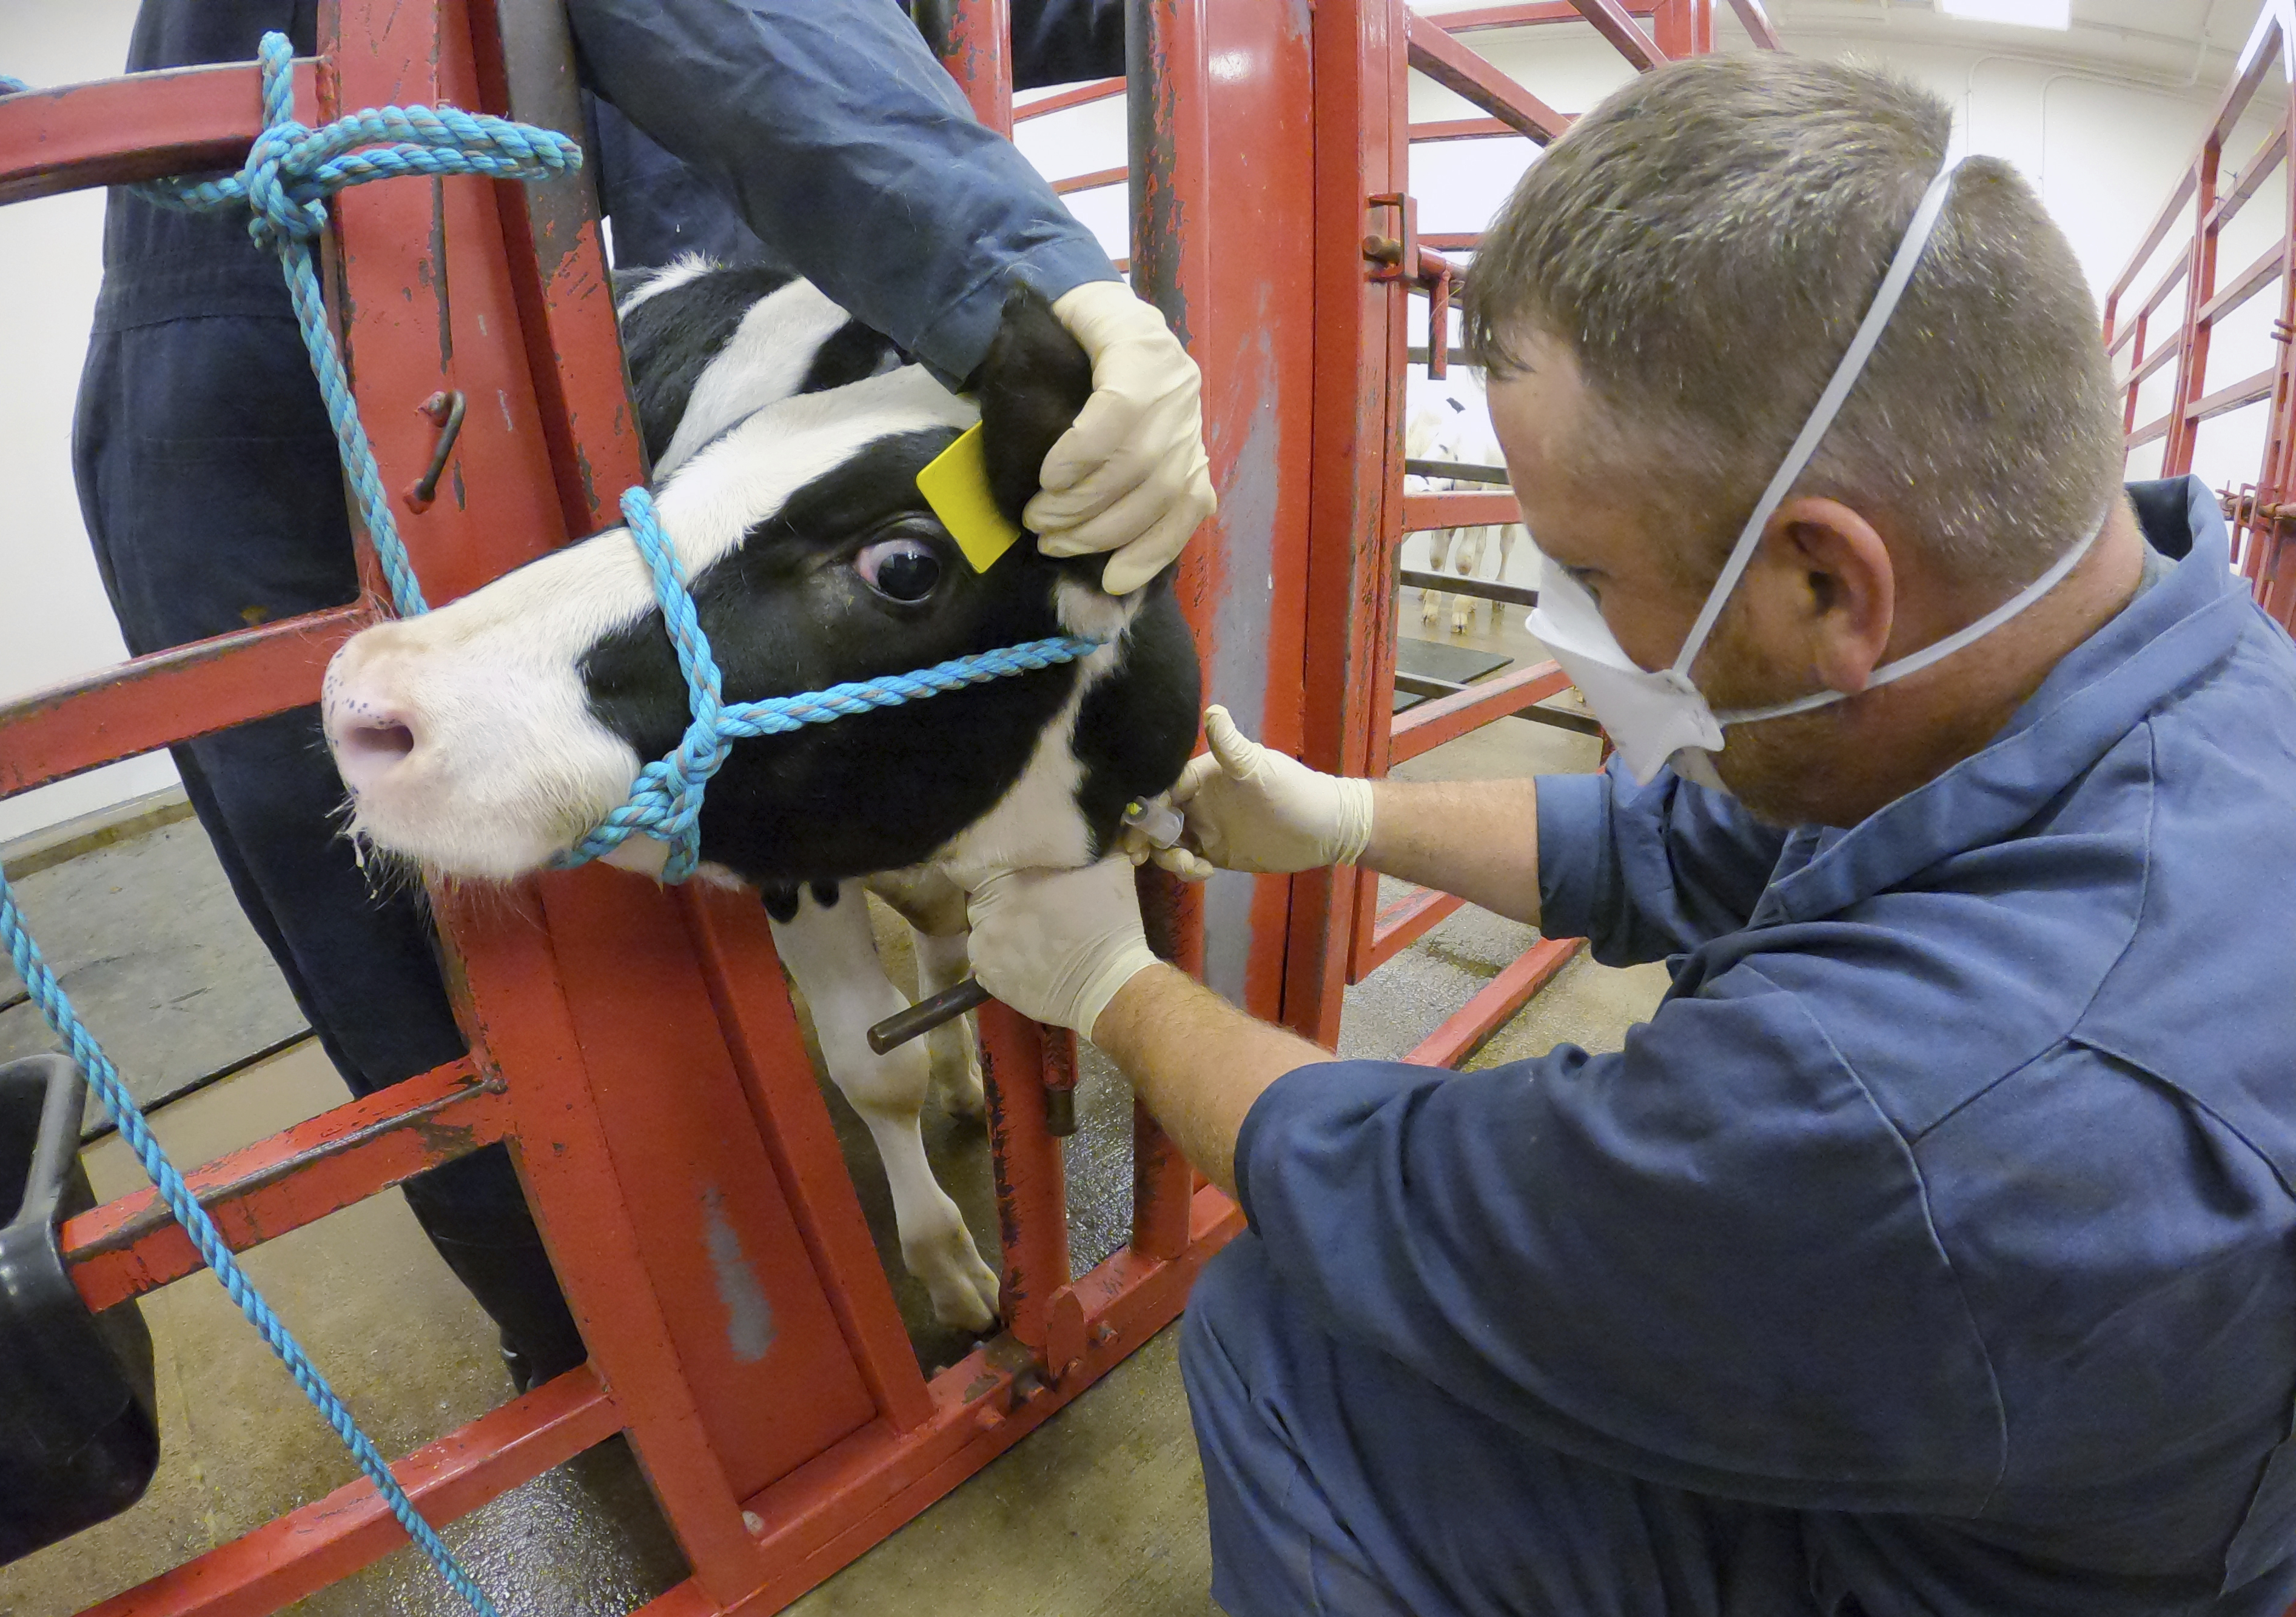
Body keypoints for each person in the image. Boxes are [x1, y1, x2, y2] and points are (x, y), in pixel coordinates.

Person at [964, 53, 2296, 1616]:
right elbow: (1709, 846)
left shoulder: (1916, 1107)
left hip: (1968, 1571)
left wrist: (1110, 982)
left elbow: (1399, 1195)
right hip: (2114, 1467)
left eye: (1587, 572)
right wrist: (1348, 818)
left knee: (1292, 1329)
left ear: (1826, 587)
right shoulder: (2171, 673)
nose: (1562, 622)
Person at [73, 0, 1210, 1389]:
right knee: (430, 964)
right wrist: (1018, 258)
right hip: (270, 306)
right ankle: (600, 1356)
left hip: (615, 270)